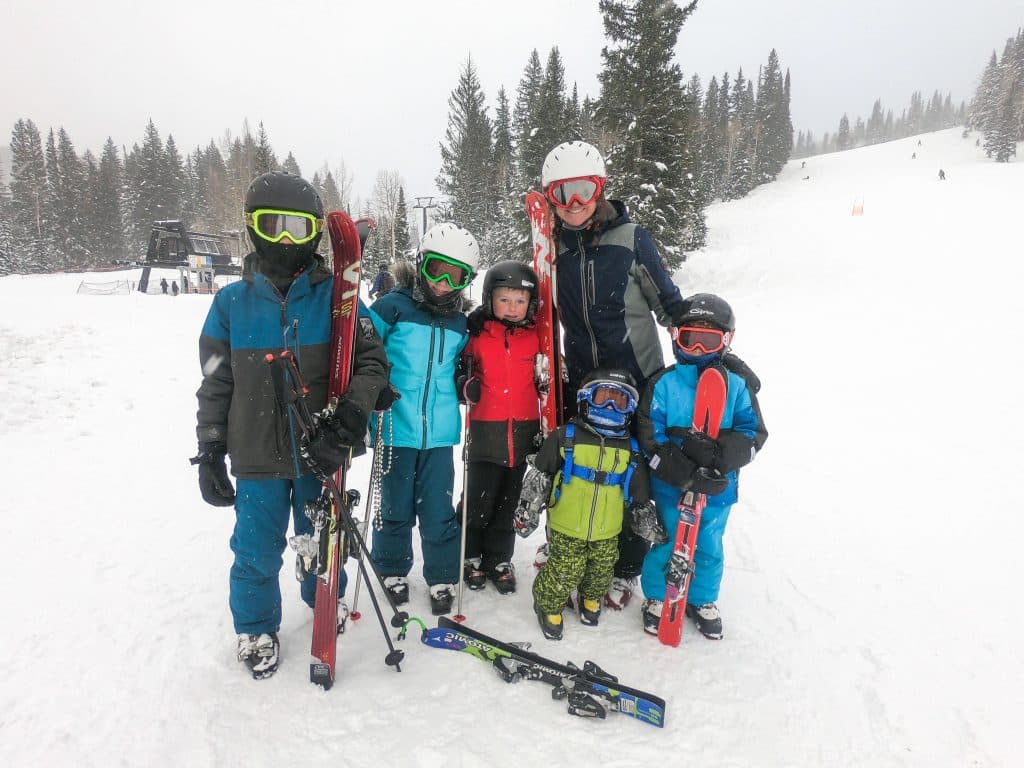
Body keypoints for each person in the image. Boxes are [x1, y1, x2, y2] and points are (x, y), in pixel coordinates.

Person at [192, 171, 389, 680]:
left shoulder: (338, 299)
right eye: (272, 225)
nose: (284, 239)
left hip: (320, 451)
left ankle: (320, 593)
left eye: (297, 228)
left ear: (314, 234)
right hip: (255, 457)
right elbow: (215, 383)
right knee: (255, 549)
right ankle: (256, 625)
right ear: (253, 228)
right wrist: (211, 447)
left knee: (324, 538)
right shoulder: (231, 303)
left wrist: (349, 419)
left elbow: (372, 364)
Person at [537, 140, 696, 611]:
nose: (573, 204)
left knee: (629, 475)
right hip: (582, 384)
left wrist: (704, 352)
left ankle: (623, 566)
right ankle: (569, 548)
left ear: (600, 188)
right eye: (561, 193)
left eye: (583, 190)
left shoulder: (631, 239)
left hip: (637, 380)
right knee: (579, 469)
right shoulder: (552, 249)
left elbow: (671, 306)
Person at [637, 294, 767, 640]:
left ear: (726, 341)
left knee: (708, 544)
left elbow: (754, 433)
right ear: (675, 337)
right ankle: (656, 595)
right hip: (670, 485)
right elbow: (651, 437)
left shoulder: (737, 386)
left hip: (716, 490)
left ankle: (702, 599)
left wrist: (718, 458)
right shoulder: (663, 384)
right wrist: (682, 471)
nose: (696, 349)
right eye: (688, 339)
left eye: (708, 342)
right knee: (667, 542)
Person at [365, 223, 479, 616]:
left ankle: (443, 574)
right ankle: (393, 569)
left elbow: (463, 366)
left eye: (456, 275)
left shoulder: (461, 323)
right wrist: (370, 395)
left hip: (440, 434)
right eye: (436, 270)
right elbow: (365, 355)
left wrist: (468, 381)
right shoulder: (391, 307)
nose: (444, 283)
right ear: (420, 264)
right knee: (394, 506)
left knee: (437, 508)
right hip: (395, 428)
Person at [513, 369, 658, 640]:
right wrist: (528, 508)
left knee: (603, 568)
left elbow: (638, 491)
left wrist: (644, 516)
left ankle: (591, 598)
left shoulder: (630, 447)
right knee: (566, 568)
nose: (611, 407)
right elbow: (541, 475)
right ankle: (547, 603)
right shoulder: (565, 436)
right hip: (567, 523)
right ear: (586, 399)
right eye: (603, 398)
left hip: (608, 527)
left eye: (620, 401)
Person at [457, 261, 545, 594]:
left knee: (509, 502)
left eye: (520, 301)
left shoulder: (536, 335)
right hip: (485, 429)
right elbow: (460, 369)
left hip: (523, 432)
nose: (512, 308)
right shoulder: (478, 334)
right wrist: (463, 382)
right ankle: (470, 554)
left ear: (531, 303)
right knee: (479, 500)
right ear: (489, 299)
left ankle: (498, 557)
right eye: (504, 299)